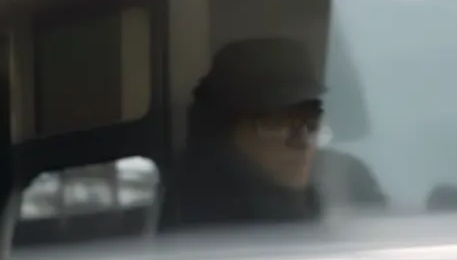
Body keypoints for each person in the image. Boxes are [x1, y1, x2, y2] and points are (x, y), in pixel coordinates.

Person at [159, 36, 385, 230]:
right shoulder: (194, 205)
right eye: (276, 123)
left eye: (311, 122)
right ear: (225, 132)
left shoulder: (350, 181)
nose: (301, 142)